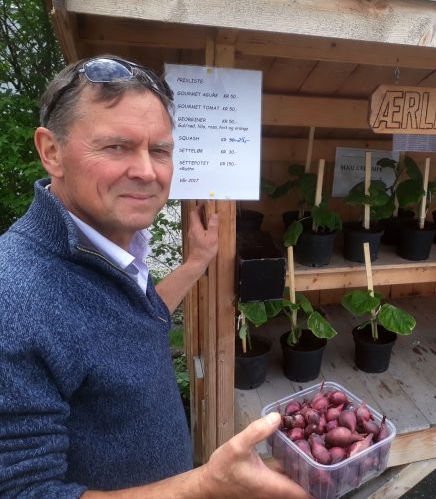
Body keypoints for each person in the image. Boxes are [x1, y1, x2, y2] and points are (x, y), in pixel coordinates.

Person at [0, 55, 308, 498]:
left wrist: (195, 263)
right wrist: (206, 485)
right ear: (52, 151)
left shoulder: (107, 252)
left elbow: (130, 323)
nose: (148, 171)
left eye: (160, 150)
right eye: (116, 147)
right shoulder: (14, 296)